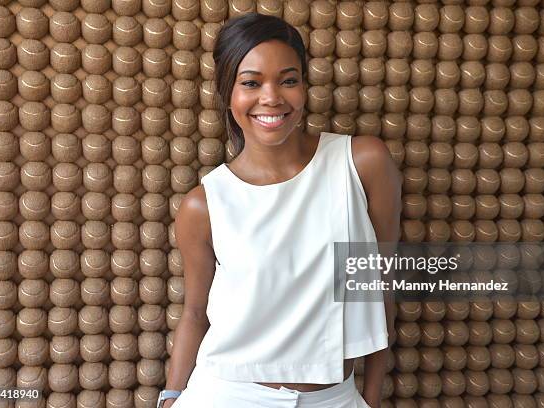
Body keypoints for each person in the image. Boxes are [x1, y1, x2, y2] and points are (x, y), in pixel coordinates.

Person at [159, 13, 401, 408]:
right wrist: (170, 398)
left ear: (304, 87)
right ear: (228, 93)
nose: (271, 98)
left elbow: (379, 286)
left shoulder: (361, 163)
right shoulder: (204, 204)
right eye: (251, 83)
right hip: (225, 394)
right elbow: (195, 313)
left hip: (333, 398)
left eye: (288, 80)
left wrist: (370, 398)